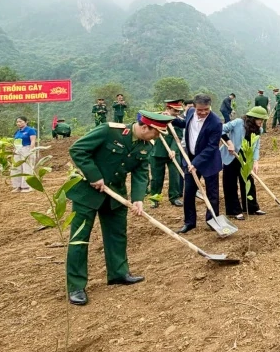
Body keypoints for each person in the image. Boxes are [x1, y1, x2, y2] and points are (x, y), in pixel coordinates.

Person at [65, 110, 172, 306]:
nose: (157, 137)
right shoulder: (109, 131)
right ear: (145, 127)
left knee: (117, 235)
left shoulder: (146, 145)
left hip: (115, 196)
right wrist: (93, 175)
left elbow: (141, 171)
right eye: (156, 132)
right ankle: (76, 285)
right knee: (80, 239)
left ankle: (119, 273)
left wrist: (139, 198)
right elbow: (78, 150)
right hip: (87, 193)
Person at [172, 94, 224, 233]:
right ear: (194, 107)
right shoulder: (189, 113)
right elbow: (184, 124)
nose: (203, 112)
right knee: (188, 192)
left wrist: (196, 162)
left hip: (209, 162)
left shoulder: (216, 122)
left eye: (206, 109)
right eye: (200, 110)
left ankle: (212, 220)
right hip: (190, 160)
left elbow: (212, 146)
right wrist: (170, 119)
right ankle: (189, 222)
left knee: (212, 193)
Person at [221, 106, 268, 218]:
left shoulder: (259, 130)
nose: (261, 122)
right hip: (232, 157)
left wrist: (255, 161)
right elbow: (221, 129)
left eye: (263, 120)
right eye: (259, 119)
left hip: (246, 159)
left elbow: (256, 146)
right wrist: (229, 143)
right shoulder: (238, 123)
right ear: (252, 118)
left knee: (248, 182)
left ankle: (251, 208)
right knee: (230, 184)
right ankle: (234, 211)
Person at [148, 99, 185, 208]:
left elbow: (177, 136)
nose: (177, 113)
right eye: (175, 110)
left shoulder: (178, 121)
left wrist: (173, 149)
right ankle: (155, 198)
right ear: (168, 108)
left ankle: (174, 197)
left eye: (179, 111)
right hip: (158, 151)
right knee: (156, 177)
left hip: (173, 152)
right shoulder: (157, 117)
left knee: (175, 175)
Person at [12, 116, 37, 192]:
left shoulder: (30, 130)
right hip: (18, 150)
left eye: (20, 121)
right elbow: (15, 141)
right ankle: (17, 186)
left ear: (26, 122)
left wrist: (31, 150)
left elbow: (33, 140)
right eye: (17, 122)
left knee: (27, 167)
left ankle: (27, 186)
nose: (18, 123)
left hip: (27, 148)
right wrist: (14, 150)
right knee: (16, 167)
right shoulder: (17, 132)